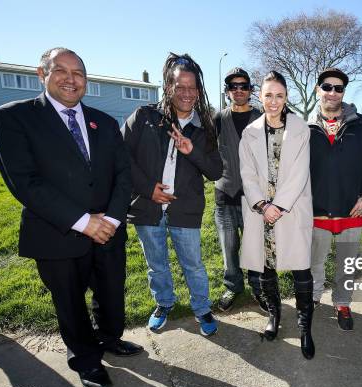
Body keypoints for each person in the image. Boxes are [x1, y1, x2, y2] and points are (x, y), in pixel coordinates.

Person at [0, 47, 141, 387]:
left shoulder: (104, 122)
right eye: (61, 70)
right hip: (57, 234)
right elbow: (24, 181)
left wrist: (113, 220)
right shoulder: (14, 117)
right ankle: (87, 359)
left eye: (79, 73)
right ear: (41, 74)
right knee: (70, 302)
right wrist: (81, 221)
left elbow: (123, 175)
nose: (71, 79)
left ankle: (108, 339)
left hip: (109, 232)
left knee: (111, 295)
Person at [122, 53, 222, 336]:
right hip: (147, 208)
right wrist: (147, 188)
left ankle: (202, 308)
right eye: (180, 87)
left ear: (199, 91)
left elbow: (215, 171)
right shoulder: (144, 117)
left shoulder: (205, 127)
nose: (187, 93)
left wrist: (193, 152)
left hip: (185, 210)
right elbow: (120, 157)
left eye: (193, 88)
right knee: (157, 265)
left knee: (194, 266)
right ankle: (164, 303)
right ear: (168, 87)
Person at [239, 71, 315, 359]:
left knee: (300, 270)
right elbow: (246, 173)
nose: (273, 101)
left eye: (279, 95)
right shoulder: (250, 132)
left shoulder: (300, 128)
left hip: (290, 210)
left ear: (286, 98)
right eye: (268, 95)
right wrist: (262, 205)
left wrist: (278, 206)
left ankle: (305, 327)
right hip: (261, 213)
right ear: (260, 96)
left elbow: (300, 172)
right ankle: (274, 316)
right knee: (265, 269)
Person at [308, 67, 362, 330]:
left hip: (352, 209)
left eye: (338, 88)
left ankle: (342, 302)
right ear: (318, 89)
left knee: (347, 262)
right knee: (314, 261)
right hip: (316, 209)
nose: (332, 92)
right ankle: (313, 298)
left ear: (344, 92)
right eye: (327, 87)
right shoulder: (303, 126)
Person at [213, 67, 265, 312]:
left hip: (255, 197)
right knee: (229, 247)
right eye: (233, 86)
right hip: (225, 194)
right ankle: (233, 286)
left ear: (251, 90)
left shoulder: (263, 117)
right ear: (227, 92)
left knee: (254, 246)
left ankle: (258, 287)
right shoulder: (217, 119)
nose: (239, 90)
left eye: (243, 86)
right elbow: (207, 152)